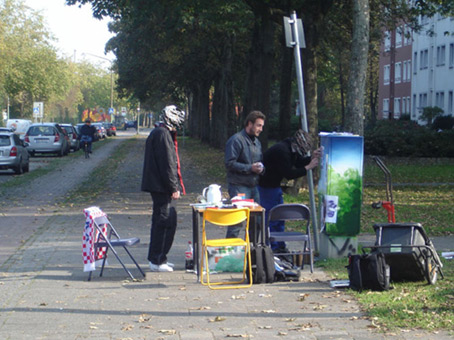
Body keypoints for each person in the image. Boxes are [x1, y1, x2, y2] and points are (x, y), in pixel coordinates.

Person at [258, 129, 322, 252]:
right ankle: (270, 247)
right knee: (270, 218)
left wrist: (311, 158)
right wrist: (308, 167)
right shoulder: (281, 151)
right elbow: (289, 173)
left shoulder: (290, 149)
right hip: (266, 186)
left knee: (279, 217)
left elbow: (297, 162)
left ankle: (279, 245)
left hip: (275, 186)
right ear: (297, 145)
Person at [141, 105, 186, 272]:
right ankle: (157, 259)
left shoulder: (160, 132)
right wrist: (174, 187)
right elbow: (167, 164)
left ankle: (159, 257)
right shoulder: (162, 134)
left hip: (159, 186)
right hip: (161, 187)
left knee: (164, 221)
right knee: (164, 222)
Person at [224, 110, 266, 239]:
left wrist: (261, 169)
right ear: (249, 124)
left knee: (257, 222)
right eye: (258, 125)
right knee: (237, 222)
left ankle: (252, 252)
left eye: (262, 126)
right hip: (239, 187)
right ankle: (231, 253)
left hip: (254, 186)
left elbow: (259, 162)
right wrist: (250, 168)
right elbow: (229, 163)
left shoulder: (257, 142)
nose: (261, 129)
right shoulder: (236, 140)